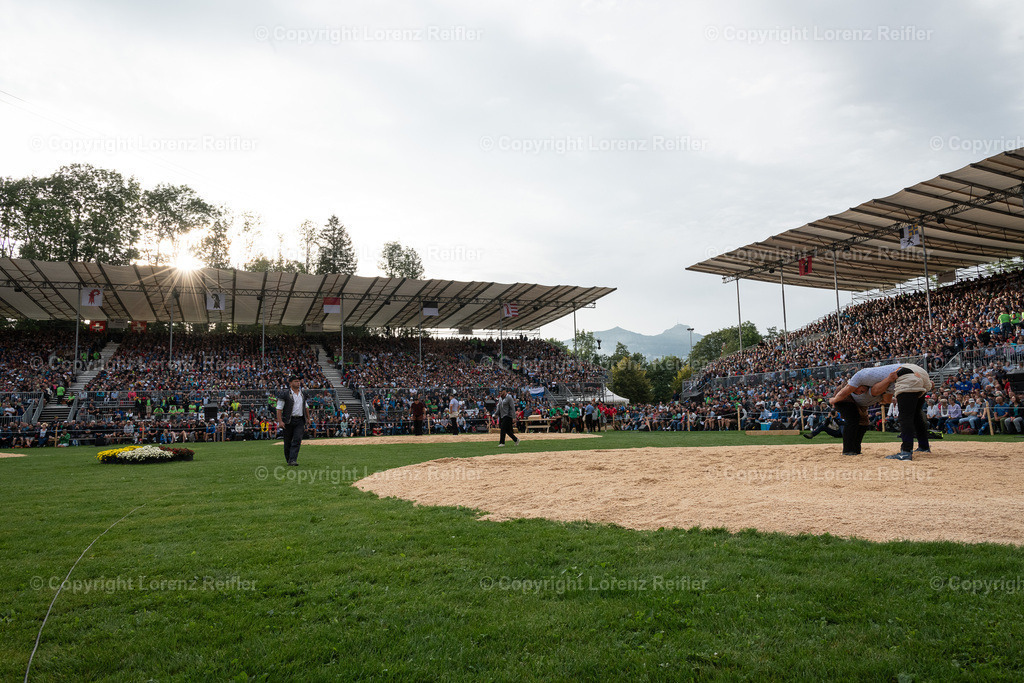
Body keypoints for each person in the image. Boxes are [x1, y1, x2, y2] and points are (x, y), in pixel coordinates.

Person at [828, 363, 900, 456]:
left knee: (864, 423)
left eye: (860, 391)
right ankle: (848, 450)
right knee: (853, 419)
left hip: (860, 404)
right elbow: (842, 394)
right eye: (859, 391)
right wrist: (834, 400)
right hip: (844, 399)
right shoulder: (854, 383)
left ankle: (856, 448)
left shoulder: (872, 383)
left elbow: (886, 400)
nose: (859, 392)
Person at [873, 363, 934, 461]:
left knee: (905, 417)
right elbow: (930, 385)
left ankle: (906, 451)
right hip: (921, 373)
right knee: (916, 415)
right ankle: (924, 446)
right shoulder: (887, 369)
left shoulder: (873, 376)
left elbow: (885, 397)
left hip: (908, 375)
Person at [276, 374, 309, 466]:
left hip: (300, 420)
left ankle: (293, 459)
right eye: (295, 381)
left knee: (297, 439)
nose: (298, 383)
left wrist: (308, 418)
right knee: (287, 442)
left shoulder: (303, 394)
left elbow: (306, 407)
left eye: (299, 381)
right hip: (288, 420)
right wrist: (280, 421)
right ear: (290, 383)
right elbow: (279, 408)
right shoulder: (285, 394)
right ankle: (289, 459)